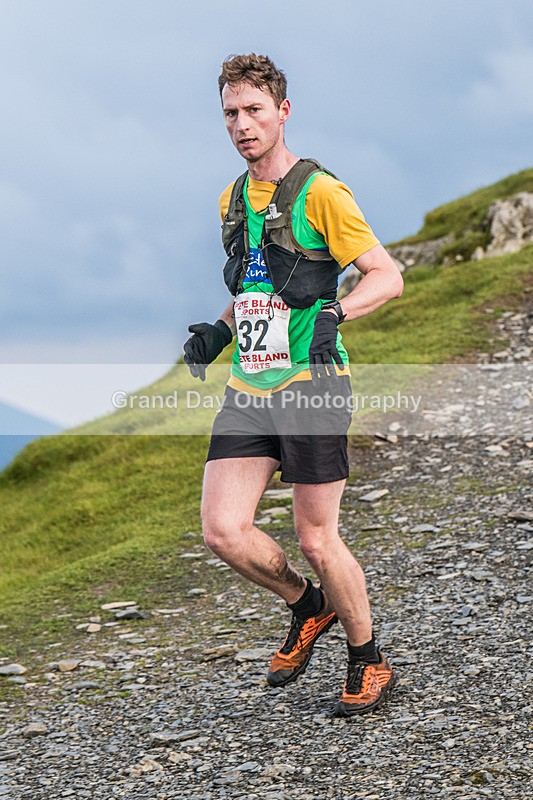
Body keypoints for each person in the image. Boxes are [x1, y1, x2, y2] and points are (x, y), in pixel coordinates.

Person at [183, 53, 404, 716]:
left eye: (254, 110)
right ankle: (306, 607)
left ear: (283, 112)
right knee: (223, 531)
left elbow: (385, 276)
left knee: (316, 537)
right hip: (250, 388)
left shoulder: (321, 193)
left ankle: (369, 661)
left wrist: (337, 312)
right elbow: (256, 288)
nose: (242, 124)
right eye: (231, 113)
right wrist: (220, 332)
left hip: (311, 384)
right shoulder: (229, 199)